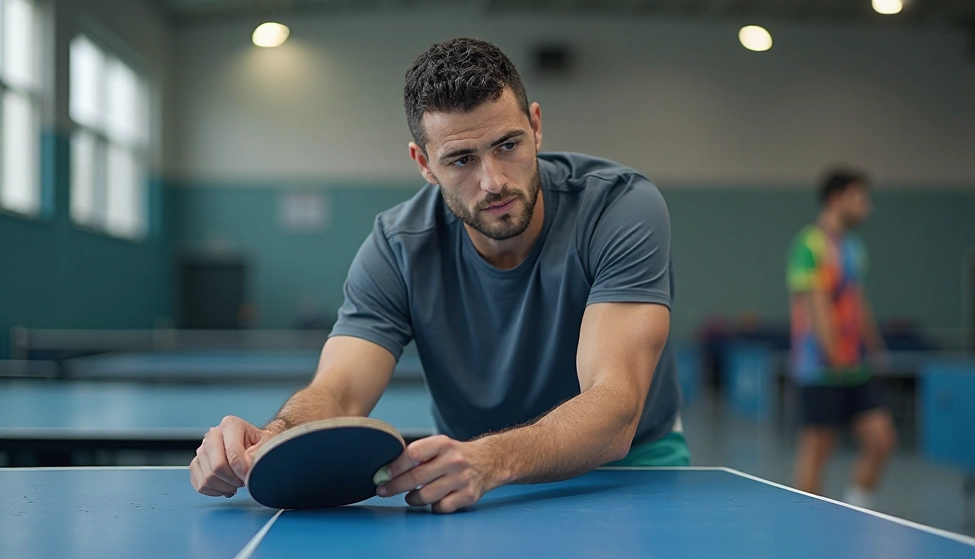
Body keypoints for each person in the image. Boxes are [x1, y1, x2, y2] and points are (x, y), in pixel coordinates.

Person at [190, 37, 688, 513]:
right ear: (424, 164)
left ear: (535, 126)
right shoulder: (397, 246)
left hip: (629, 471)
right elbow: (339, 390)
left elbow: (615, 404)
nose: (493, 181)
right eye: (461, 159)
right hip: (472, 478)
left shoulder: (619, 208)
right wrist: (273, 437)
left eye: (508, 144)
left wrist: (491, 460)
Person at [786, 168, 897, 509]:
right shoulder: (810, 244)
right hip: (819, 369)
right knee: (817, 453)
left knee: (881, 440)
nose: (867, 207)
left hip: (855, 367)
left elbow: (857, 301)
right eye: (860, 198)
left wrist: (875, 349)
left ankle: (857, 508)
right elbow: (817, 305)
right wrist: (835, 357)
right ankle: (811, 524)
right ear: (838, 199)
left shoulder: (853, 247)